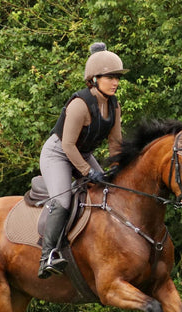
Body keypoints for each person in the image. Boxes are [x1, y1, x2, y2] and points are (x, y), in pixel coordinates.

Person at [38, 42, 128, 279]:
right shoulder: (80, 104)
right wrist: (88, 172)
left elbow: (115, 142)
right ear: (94, 79)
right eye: (110, 77)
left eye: (117, 77)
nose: (115, 82)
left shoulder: (114, 105)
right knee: (64, 201)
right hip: (57, 154)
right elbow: (67, 145)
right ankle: (47, 255)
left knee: (110, 192)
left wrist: (118, 168)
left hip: (83, 154)